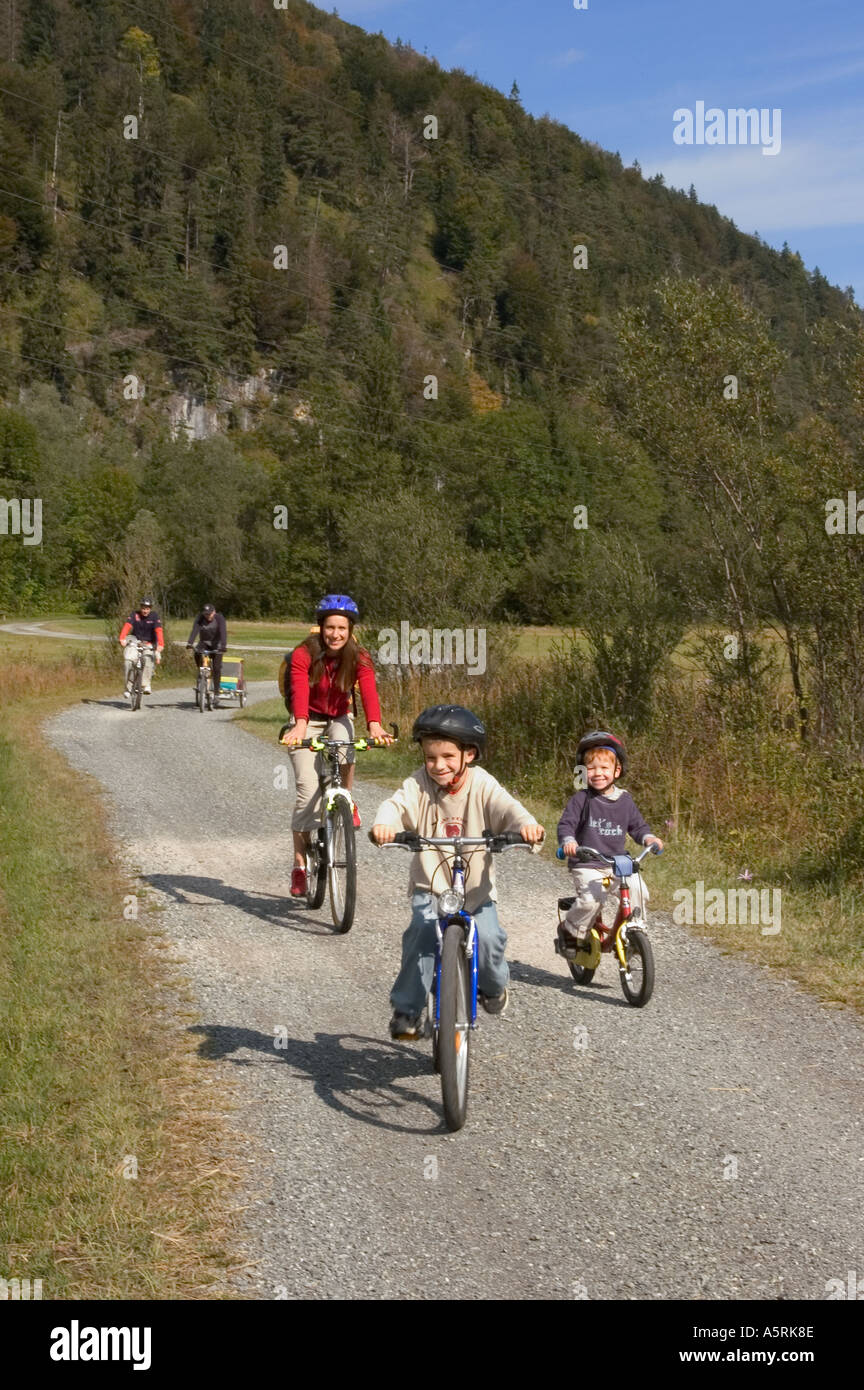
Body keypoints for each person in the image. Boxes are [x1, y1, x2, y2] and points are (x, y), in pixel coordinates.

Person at [371, 705, 545, 1040]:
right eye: (430, 757)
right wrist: (385, 825)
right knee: (420, 935)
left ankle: (494, 988)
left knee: (491, 939)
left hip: (476, 890)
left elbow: (508, 808)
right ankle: (407, 1010)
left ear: (470, 753)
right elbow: (396, 805)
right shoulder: (418, 784)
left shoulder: (482, 784)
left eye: (448, 756)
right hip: (432, 886)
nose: (438, 766)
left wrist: (527, 827)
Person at [279, 594, 392, 897]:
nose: (336, 634)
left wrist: (375, 725)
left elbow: (368, 689)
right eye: (330, 627)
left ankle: (346, 797)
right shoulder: (304, 654)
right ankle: (300, 865)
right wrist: (300, 726)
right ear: (321, 627)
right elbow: (300, 690)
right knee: (307, 791)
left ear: (350, 629)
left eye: (342, 628)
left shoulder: (360, 656)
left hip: (339, 715)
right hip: (309, 718)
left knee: (346, 744)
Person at [556, 730, 663, 955]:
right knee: (590, 901)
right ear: (584, 772)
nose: (598, 773)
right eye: (591, 768)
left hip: (617, 863)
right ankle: (570, 931)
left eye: (604, 768)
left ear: (617, 770)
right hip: (587, 864)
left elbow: (637, 826)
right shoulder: (582, 799)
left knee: (639, 890)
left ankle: (634, 933)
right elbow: (567, 824)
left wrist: (649, 838)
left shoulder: (625, 800)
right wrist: (569, 842)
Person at [118, 597, 163, 698]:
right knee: (128, 661)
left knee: (148, 660)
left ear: (150, 608)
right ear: (140, 607)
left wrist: (160, 644)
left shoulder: (154, 616)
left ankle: (146, 684)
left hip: (149, 643)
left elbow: (159, 630)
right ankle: (128, 688)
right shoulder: (135, 614)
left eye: (147, 608)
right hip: (135, 642)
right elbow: (127, 626)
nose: (145, 610)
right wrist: (122, 638)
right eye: (143, 608)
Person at [186, 604, 227, 705]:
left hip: (217, 644)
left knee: (217, 668)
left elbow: (223, 632)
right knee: (197, 652)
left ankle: (216, 694)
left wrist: (223, 645)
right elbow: (195, 630)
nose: (208, 616)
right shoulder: (200, 618)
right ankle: (201, 672)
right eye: (206, 614)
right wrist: (190, 643)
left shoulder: (219, 618)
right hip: (204, 642)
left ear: (214, 612)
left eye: (209, 614)